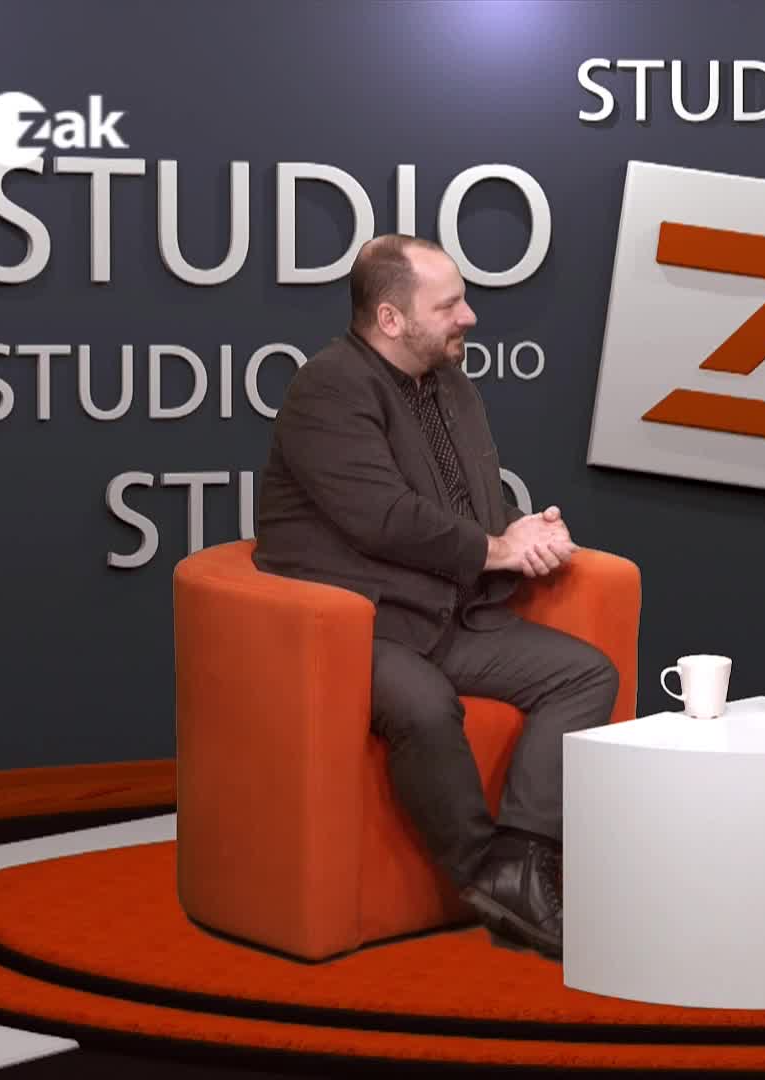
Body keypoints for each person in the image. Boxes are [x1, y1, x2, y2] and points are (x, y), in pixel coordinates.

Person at [253, 234, 618, 960]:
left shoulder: (451, 384)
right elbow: (381, 516)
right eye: (449, 305)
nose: (468, 317)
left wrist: (523, 534)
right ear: (391, 319)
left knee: (585, 675)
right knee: (423, 705)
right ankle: (485, 872)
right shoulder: (328, 388)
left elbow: (468, 504)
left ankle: (520, 863)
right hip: (359, 621)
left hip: (447, 612)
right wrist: (495, 549)